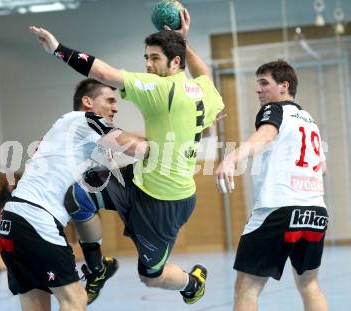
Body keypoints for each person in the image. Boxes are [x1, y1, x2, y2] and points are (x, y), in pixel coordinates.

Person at [31, 8, 224, 305]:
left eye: (154, 58)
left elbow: (103, 73)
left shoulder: (162, 88)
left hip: (166, 201)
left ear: (175, 63)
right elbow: (204, 74)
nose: (147, 64)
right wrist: (182, 41)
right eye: (146, 57)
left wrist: (58, 50)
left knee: (151, 276)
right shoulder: (205, 91)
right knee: (79, 196)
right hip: (142, 176)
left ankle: (191, 283)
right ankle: (97, 268)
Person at [0, 78, 148, 311]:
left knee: (36, 306)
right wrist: (179, 139)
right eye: (109, 100)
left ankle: (97, 267)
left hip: (11, 221)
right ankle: (96, 267)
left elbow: (92, 194)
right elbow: (132, 145)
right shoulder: (83, 119)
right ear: (88, 102)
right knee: (75, 300)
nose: (115, 107)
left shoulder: (76, 137)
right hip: (38, 221)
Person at [215, 60, 328, 311]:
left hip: (278, 210)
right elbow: (323, 167)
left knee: (247, 288)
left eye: (264, 83)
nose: (258, 90)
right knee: (309, 285)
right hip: (316, 211)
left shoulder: (275, 109)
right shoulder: (309, 120)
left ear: (284, 86)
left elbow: (266, 136)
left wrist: (231, 158)